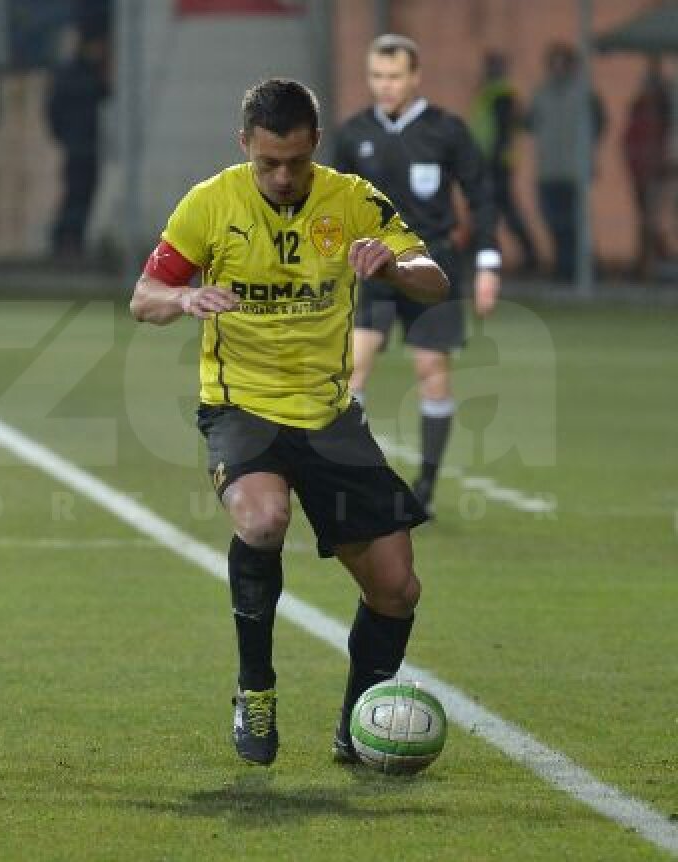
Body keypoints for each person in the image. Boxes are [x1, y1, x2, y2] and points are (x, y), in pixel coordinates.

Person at [129, 78, 448, 766]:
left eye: (296, 163)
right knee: (262, 520)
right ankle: (256, 690)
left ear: (316, 147)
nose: (282, 177)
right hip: (241, 407)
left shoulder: (352, 199)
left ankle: (357, 729)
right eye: (268, 161)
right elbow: (143, 298)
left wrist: (394, 264)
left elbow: (434, 277)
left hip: (329, 417)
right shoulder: (210, 204)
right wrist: (184, 300)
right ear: (245, 145)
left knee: (397, 588)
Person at [335, 33, 500, 515]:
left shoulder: (446, 131)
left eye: (394, 76)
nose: (384, 86)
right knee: (353, 369)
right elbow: (332, 208)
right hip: (371, 264)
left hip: (431, 266)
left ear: (415, 76)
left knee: (431, 371)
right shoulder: (352, 134)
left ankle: (424, 486)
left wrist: (488, 264)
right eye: (376, 76)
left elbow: (481, 195)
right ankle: (356, 478)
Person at [527, 42, 605, 282]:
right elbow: (530, 123)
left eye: (563, 63)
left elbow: (600, 125)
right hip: (548, 169)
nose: (558, 69)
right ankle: (564, 265)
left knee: (574, 223)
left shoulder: (585, 94)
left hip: (574, 170)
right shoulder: (540, 94)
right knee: (553, 221)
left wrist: (587, 155)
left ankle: (574, 269)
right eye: (555, 63)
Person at [470, 51, 539, 272]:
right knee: (497, 211)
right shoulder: (492, 93)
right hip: (492, 162)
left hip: (494, 163)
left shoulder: (500, 94)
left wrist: (490, 161)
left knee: (494, 211)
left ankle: (527, 256)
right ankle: (523, 255)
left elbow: (501, 132)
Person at [46, 35, 109, 258]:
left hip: (81, 143)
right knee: (78, 193)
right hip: (81, 144)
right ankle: (66, 240)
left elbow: (53, 109)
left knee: (79, 193)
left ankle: (69, 240)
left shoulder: (74, 74)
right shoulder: (85, 76)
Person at [621, 57, 671, 279]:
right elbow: (630, 140)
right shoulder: (639, 108)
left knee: (652, 220)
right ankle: (648, 263)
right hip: (643, 173)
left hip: (660, 173)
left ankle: (651, 262)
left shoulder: (665, 109)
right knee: (647, 220)